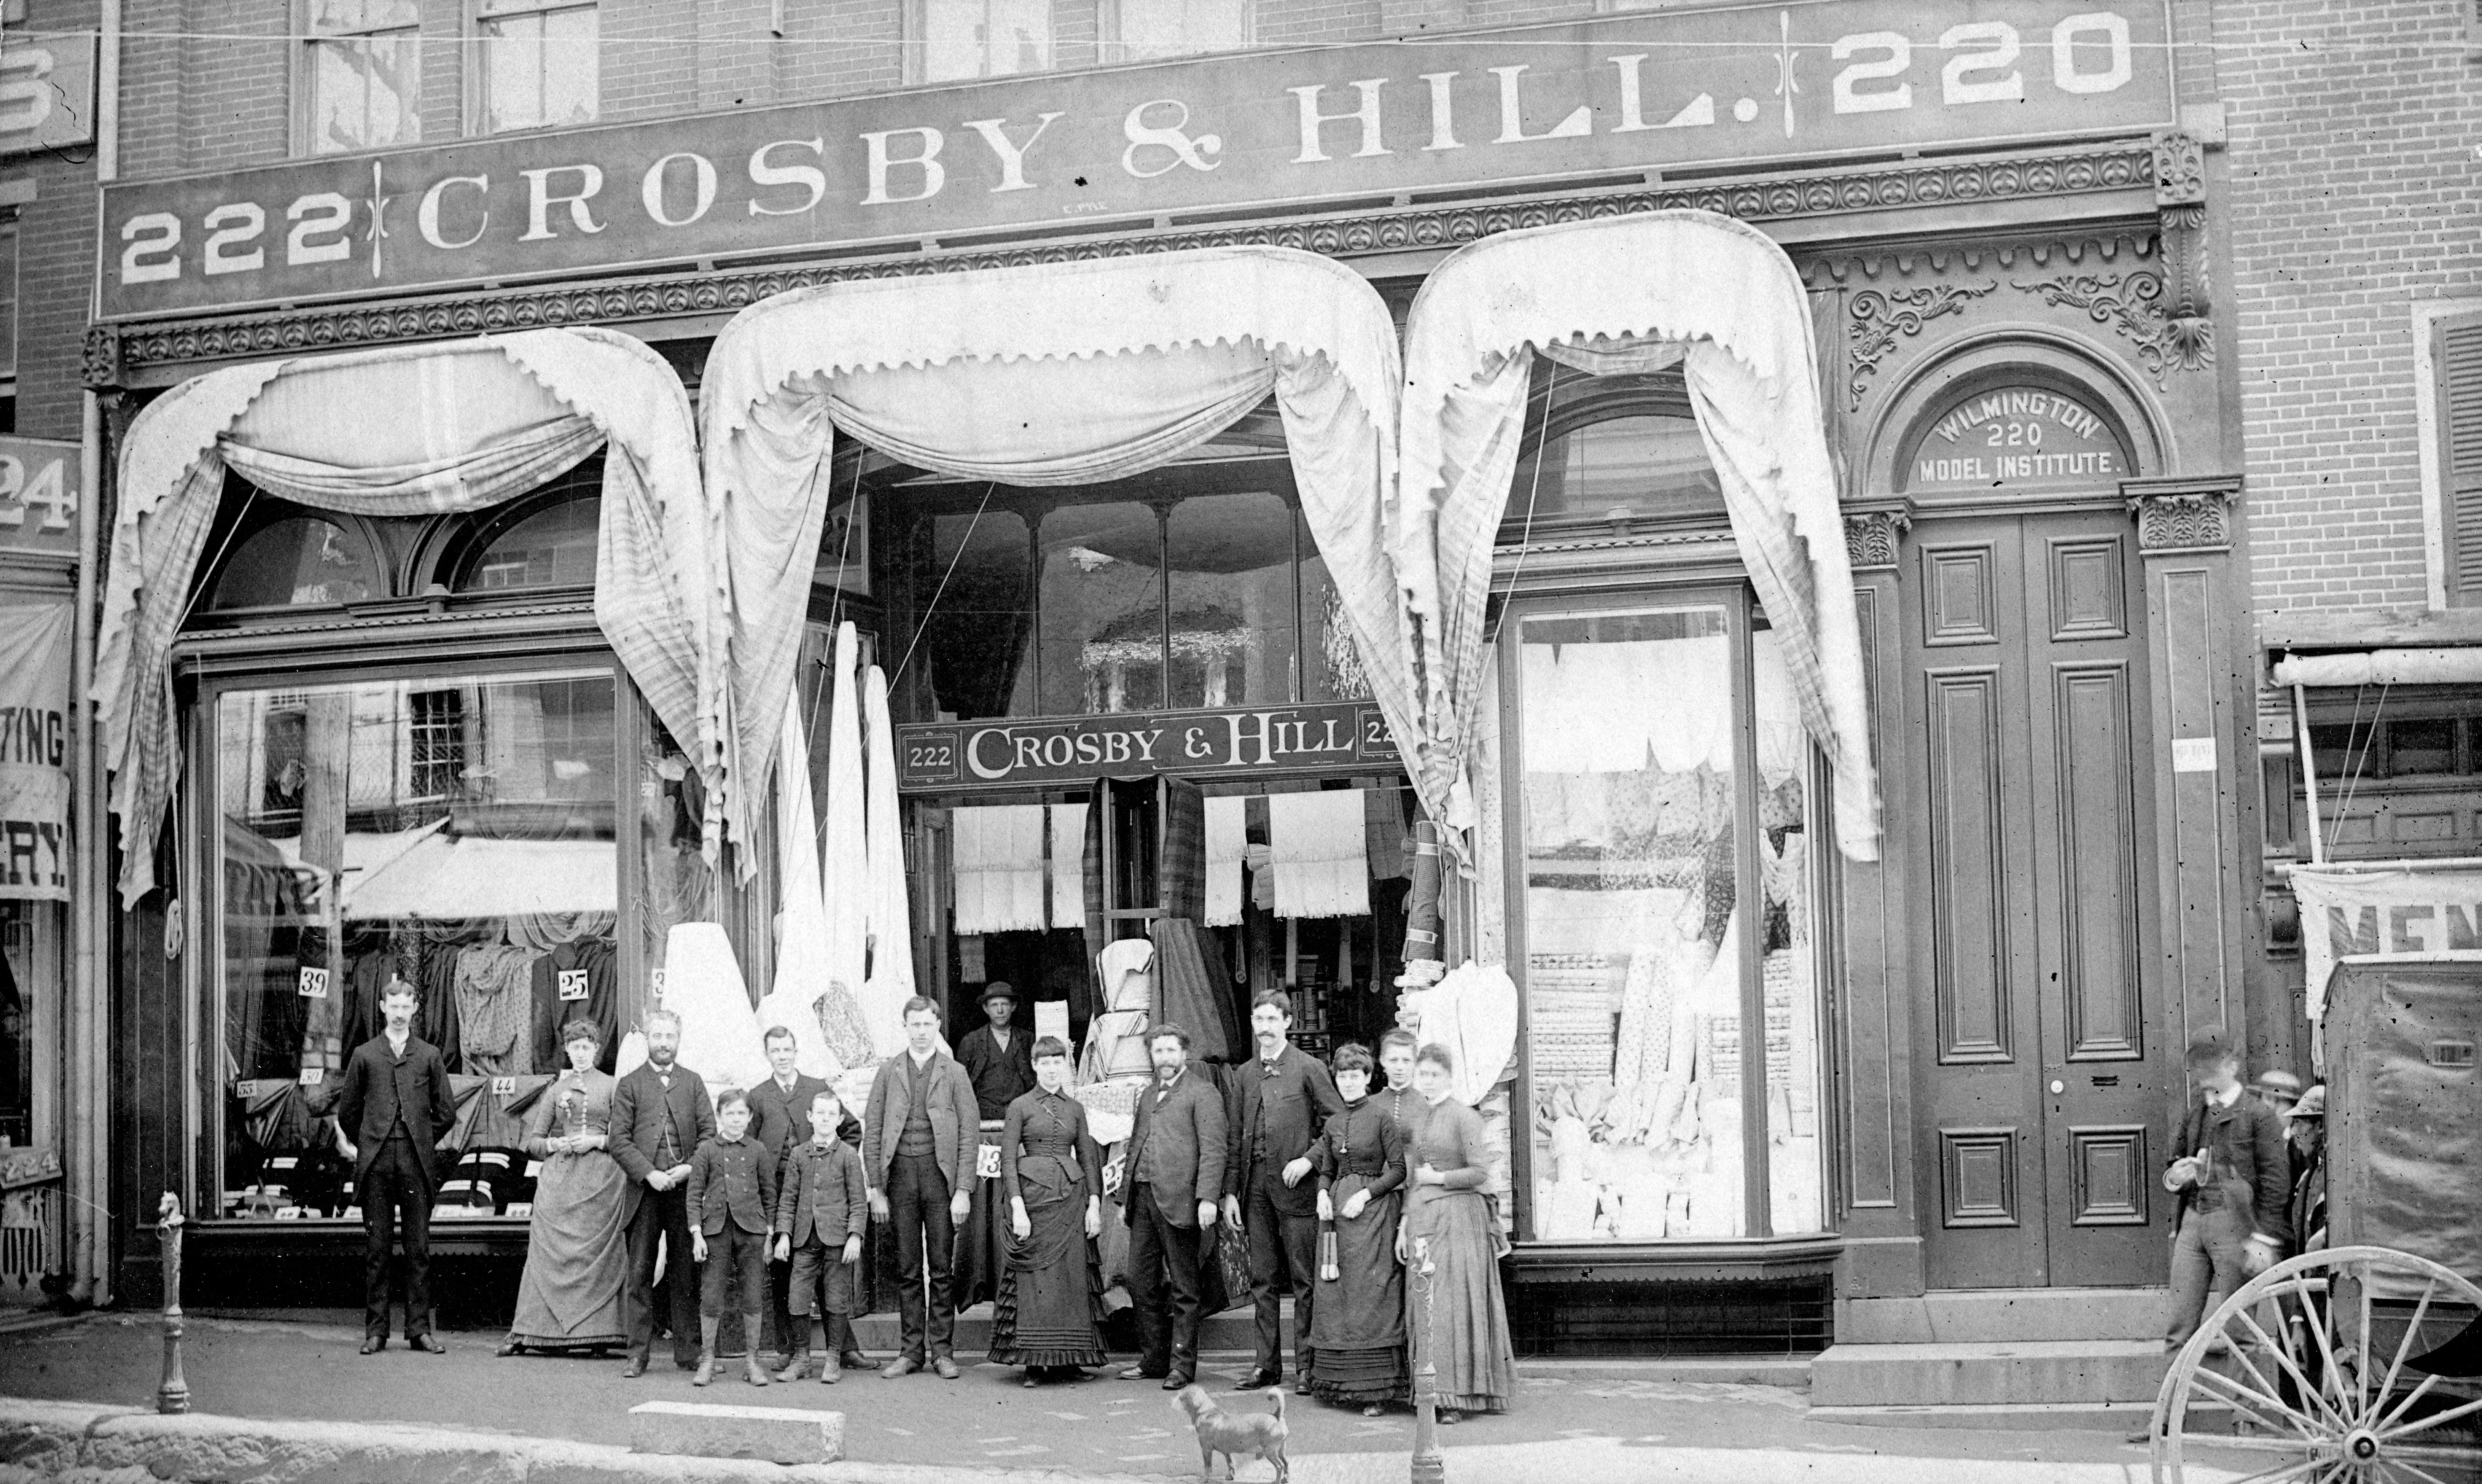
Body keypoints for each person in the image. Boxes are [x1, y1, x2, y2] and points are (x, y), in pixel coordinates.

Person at [1224, 989, 1344, 1394]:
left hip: (1298, 1187)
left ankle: (1307, 1368)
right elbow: (1232, 1137)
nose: (1265, 1028)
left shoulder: (1309, 1068)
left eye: (1273, 1020)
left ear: (1288, 1023)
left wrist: (1309, 1160)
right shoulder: (1243, 1075)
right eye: (1259, 1020)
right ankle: (1265, 1366)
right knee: (1262, 1279)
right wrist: (1229, 1194)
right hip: (1254, 1186)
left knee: (1303, 1279)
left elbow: (1337, 1124)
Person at [336, 979, 457, 1355]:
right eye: (394, 1007)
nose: (400, 1014)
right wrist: (371, 1141)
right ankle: (377, 1332)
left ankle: (420, 1330)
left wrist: (421, 1137)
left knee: (418, 1248)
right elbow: (348, 1112)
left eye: (407, 1007)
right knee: (378, 1249)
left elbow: (447, 1113)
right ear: (383, 1008)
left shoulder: (429, 1056)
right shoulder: (365, 1055)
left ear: (415, 1009)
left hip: (415, 1162)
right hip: (376, 1162)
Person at [1397, 1042, 1516, 1422]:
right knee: (1426, 1306)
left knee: (1451, 1308)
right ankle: (1429, 1395)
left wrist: (1440, 1178)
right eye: (1423, 1075)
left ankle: (1458, 1398)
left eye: (1435, 1075)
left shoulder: (1464, 1116)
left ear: (1449, 1077)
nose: (1428, 1082)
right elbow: (1411, 1177)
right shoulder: (1417, 1117)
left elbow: (1480, 1173)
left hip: (1460, 1221)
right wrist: (1403, 1223)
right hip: (1423, 1221)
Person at [862, 995, 978, 1379]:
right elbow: (874, 1130)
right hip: (900, 1178)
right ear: (905, 1027)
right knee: (908, 1267)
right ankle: (911, 1351)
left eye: (928, 1024)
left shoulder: (954, 1072)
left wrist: (962, 1189)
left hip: (938, 1177)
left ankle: (942, 1352)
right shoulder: (889, 1071)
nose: (922, 1032)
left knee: (941, 1268)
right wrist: (876, 1188)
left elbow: (969, 1134)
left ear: (939, 1026)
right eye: (915, 1025)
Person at [501, 1019, 629, 1357]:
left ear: (597, 1049)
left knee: (596, 1255)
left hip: (601, 1179)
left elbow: (623, 1138)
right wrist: (558, 1145)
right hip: (560, 1182)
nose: (581, 1054)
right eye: (575, 1047)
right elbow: (534, 1142)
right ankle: (535, 1332)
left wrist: (595, 1141)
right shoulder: (556, 1091)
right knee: (550, 1254)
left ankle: (598, 1334)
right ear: (567, 1050)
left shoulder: (613, 1085)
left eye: (587, 1047)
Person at [745, 1025, 868, 1373]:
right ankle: (789, 1350)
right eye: (775, 1051)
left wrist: (833, 1171)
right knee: (787, 1275)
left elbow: (852, 1129)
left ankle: (843, 1350)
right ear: (767, 1054)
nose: (782, 1056)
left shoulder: (817, 1089)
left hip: (821, 1188)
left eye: (788, 1050)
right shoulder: (758, 1095)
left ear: (796, 1052)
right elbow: (751, 1146)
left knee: (832, 1277)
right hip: (781, 1193)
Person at [990, 1035, 1108, 1387]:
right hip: (1033, 1201)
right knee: (1034, 1282)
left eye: (1059, 1062)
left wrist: (1094, 1203)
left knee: (1069, 1283)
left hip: (1071, 1203)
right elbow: (1008, 1161)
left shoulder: (1076, 1108)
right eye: (1046, 1062)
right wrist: (1017, 1207)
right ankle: (1032, 1363)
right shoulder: (1020, 1106)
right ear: (1035, 1066)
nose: (1053, 1068)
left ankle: (1068, 1362)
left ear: (1066, 1066)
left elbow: (1087, 1157)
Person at [2160, 1030, 2289, 1352]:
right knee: (2178, 1330)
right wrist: (2176, 1176)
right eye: (2198, 1066)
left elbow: (2276, 1182)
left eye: (2211, 1065)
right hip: (2191, 1225)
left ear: (2232, 1067)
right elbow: (2174, 1165)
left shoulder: (2259, 1116)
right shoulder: (2194, 1115)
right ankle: (2173, 1405)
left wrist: (2263, 1239)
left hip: (2236, 1226)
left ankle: (2238, 1404)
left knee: (2239, 1329)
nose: (2203, 1074)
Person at [1116, 1022, 1226, 1391]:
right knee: (1139, 1281)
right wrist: (1124, 1197)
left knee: (1184, 1287)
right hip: (1144, 1199)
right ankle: (1153, 1359)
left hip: (1181, 1201)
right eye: (1158, 1051)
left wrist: (1208, 1197)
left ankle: (1181, 1366)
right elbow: (1136, 1146)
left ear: (1183, 1053)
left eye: (1170, 1051)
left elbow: (1214, 1149)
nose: (1164, 1058)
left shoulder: (1203, 1092)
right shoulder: (1147, 1095)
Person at [611, 1008, 715, 1377]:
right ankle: (637, 1354)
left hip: (685, 1192)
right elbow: (618, 1141)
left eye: (670, 1036)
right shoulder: (630, 1084)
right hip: (645, 1192)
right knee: (639, 1272)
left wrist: (690, 1168)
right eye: (657, 1037)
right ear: (647, 1040)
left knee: (685, 1273)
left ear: (678, 1039)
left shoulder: (693, 1082)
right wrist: (649, 1174)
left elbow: (709, 1135)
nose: (664, 1043)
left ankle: (688, 1353)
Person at [1308, 1043, 1408, 1415]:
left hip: (1374, 1216)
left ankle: (1377, 1392)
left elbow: (1399, 1171)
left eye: (1355, 1076)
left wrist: (1365, 1195)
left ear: (1368, 1078)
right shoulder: (1333, 1123)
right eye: (1342, 1076)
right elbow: (1328, 1170)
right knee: (1339, 1296)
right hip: (1336, 1221)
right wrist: (1321, 1194)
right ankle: (1341, 1385)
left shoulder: (1382, 1118)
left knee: (1371, 1295)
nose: (1348, 1083)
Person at [773, 1087, 869, 1383]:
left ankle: (832, 1360)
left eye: (832, 1114)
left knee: (837, 1302)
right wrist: (784, 1236)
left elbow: (858, 1201)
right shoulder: (799, 1155)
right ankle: (802, 1359)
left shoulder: (848, 1156)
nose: (825, 1119)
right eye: (820, 1114)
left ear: (840, 1119)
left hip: (838, 1243)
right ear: (810, 1117)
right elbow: (788, 1199)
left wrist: (855, 1236)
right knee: (798, 1300)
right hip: (804, 1242)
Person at [687, 1088, 779, 1387]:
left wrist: (768, 1236)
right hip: (716, 1231)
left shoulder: (758, 1150)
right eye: (730, 1114)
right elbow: (694, 1194)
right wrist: (697, 1234)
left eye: (741, 1114)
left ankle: (752, 1361)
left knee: (753, 1297)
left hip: (752, 1232)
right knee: (712, 1296)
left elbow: (769, 1194)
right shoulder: (707, 1150)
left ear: (750, 1117)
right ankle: (709, 1360)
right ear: (719, 1116)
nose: (736, 1119)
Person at [953, 983, 1036, 1313]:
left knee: (1015, 1203)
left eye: (1005, 1004)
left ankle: (1012, 1278)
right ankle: (979, 1280)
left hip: (1018, 1130)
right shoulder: (972, 1042)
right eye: (994, 1005)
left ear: (1014, 1007)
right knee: (983, 1208)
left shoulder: (1027, 1040)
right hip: (983, 1131)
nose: (1000, 1010)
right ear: (985, 1009)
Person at [2285, 1083, 2327, 1256]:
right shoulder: (2311, 1174)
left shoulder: (2334, 1174)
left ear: (2320, 1126)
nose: (2293, 1131)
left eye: (2300, 1123)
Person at [1376, 1030, 1420, 1134]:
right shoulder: (1372, 1105)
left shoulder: (1427, 1105)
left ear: (1415, 1062)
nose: (1400, 1068)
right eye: (1393, 1060)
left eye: (1406, 1061)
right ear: (1383, 1061)